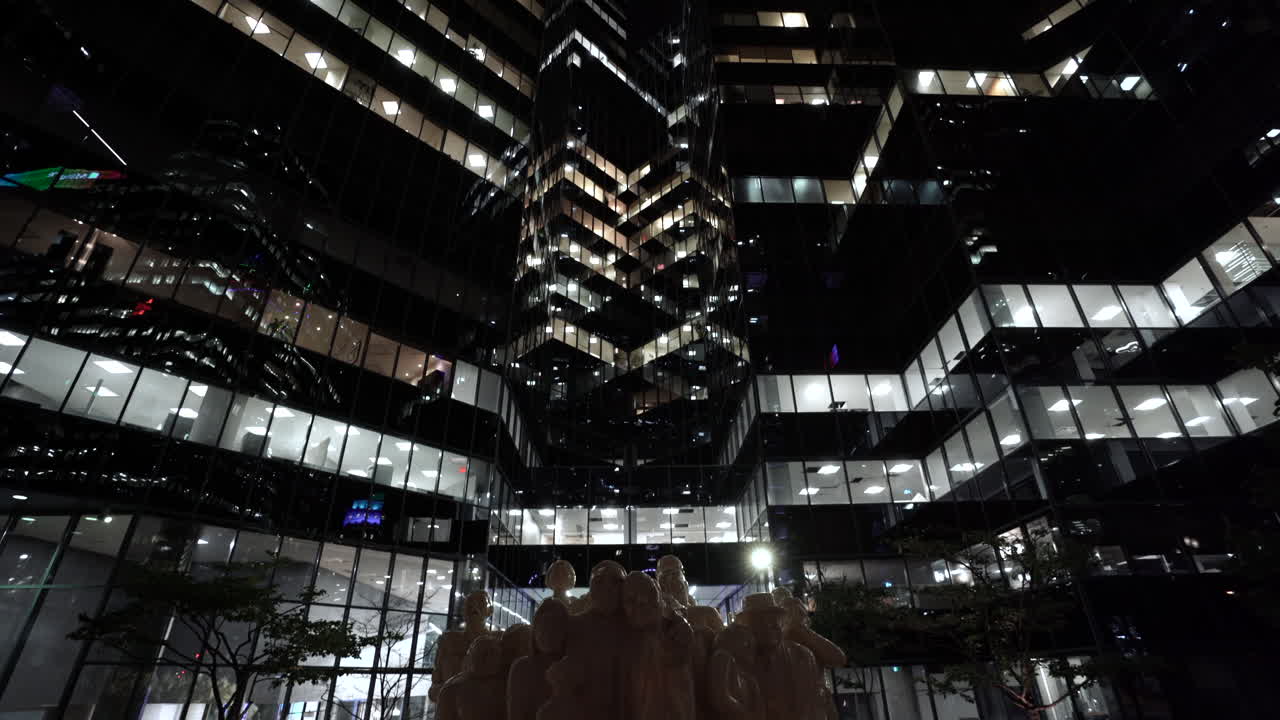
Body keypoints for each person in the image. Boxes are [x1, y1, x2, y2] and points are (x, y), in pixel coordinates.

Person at [537, 560, 628, 720]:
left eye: (615, 581)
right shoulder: (573, 625)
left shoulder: (634, 627)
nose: (607, 586)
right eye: (599, 581)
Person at [733, 593, 826, 720]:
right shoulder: (738, 660)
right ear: (747, 626)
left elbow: (811, 705)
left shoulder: (802, 655)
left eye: (775, 619)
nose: (774, 625)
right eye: (763, 620)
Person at [621, 571, 695, 720]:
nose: (640, 604)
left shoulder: (674, 630)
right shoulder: (626, 640)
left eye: (646, 597)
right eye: (631, 600)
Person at [509, 600, 570, 720]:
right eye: (542, 627)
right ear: (535, 630)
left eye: (554, 627)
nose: (547, 633)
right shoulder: (521, 668)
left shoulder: (571, 668)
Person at [431, 591, 496, 702]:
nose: (474, 607)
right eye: (469, 604)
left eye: (480, 603)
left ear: (490, 611)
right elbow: (434, 689)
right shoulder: (448, 641)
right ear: (463, 611)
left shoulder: (496, 643)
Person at [434, 634, 505, 720]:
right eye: (484, 654)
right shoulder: (452, 688)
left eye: (493, 653)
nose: (489, 658)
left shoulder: (506, 686)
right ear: (471, 657)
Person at [707, 624, 765, 720]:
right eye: (747, 643)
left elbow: (759, 706)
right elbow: (722, 698)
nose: (752, 648)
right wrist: (745, 714)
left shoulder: (747, 676)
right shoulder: (723, 656)